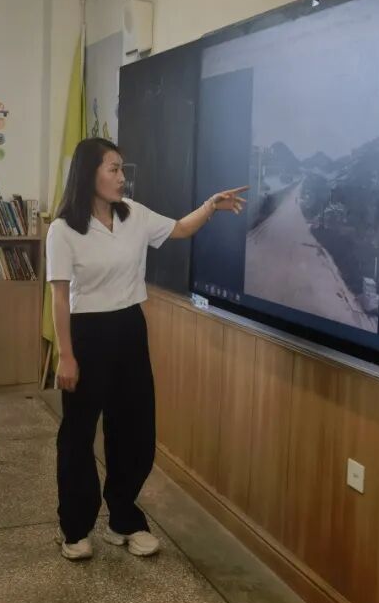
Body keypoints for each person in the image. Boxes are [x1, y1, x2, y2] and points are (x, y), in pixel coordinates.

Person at [47, 137, 246, 560]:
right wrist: (66, 354)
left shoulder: (133, 214)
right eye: (113, 169)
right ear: (89, 174)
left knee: (134, 430)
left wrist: (210, 206)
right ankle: (75, 528)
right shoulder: (63, 230)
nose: (122, 177)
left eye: (122, 168)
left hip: (129, 328)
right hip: (86, 333)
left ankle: (123, 519)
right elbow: (60, 297)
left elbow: (180, 228)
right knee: (79, 434)